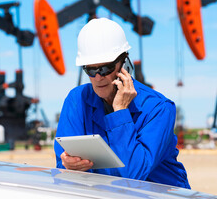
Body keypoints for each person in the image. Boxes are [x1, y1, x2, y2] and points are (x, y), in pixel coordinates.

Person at [54, 18, 190, 189]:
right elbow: (61, 165)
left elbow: (133, 175)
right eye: (91, 70)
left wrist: (120, 113)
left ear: (124, 63)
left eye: (105, 68)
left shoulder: (158, 109)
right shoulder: (77, 101)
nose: (98, 77)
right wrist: (68, 164)